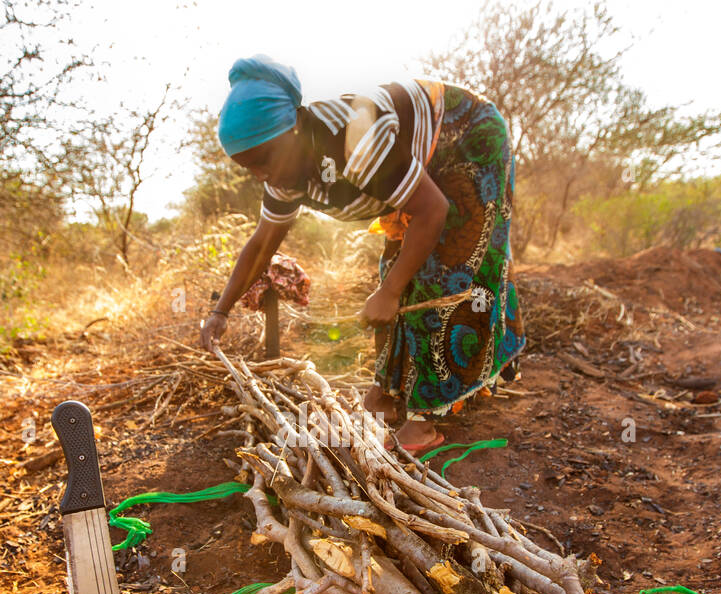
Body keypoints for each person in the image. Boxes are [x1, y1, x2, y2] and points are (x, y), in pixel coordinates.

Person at [201, 55, 524, 453]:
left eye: (264, 158)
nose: (261, 175)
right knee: (397, 266)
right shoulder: (284, 173)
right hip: (423, 172)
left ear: (295, 126)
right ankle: (386, 394)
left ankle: (425, 421)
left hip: (466, 138)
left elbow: (432, 210)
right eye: (248, 168)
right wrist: (221, 311)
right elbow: (261, 246)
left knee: (444, 270)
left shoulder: (353, 139)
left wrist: (389, 293)